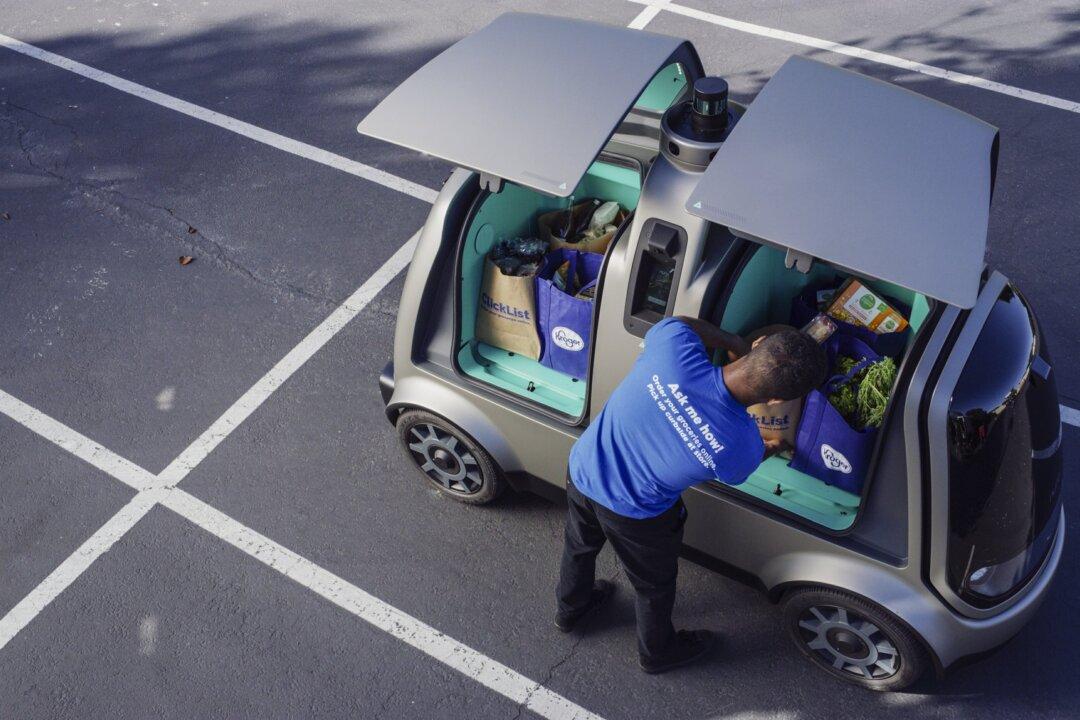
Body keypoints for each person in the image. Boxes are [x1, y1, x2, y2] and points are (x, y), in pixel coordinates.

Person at [554, 316, 827, 674]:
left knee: (579, 546)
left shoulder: (673, 350)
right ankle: (658, 652)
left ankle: (571, 611)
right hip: (637, 514)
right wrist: (773, 448)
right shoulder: (742, 444)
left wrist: (731, 337)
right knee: (654, 586)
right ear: (775, 399)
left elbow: (678, 322)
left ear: (757, 347)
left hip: (586, 467)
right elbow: (736, 470)